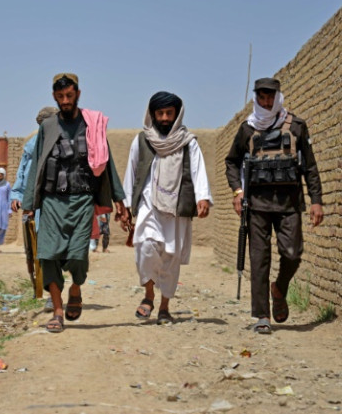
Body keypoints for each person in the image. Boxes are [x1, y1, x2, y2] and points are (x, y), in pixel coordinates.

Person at [22, 73, 129, 333]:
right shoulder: (47, 127)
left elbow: (107, 163)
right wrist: (29, 202)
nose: (65, 101)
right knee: (48, 256)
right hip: (51, 201)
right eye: (60, 97)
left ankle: (76, 288)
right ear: (54, 97)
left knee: (78, 256)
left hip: (82, 200)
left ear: (78, 94)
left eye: (69, 96)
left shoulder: (92, 124)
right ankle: (57, 311)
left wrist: (119, 200)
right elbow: (36, 164)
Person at [225, 77, 324, 334]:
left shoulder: (297, 126)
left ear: (278, 96)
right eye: (261, 97)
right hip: (256, 205)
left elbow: (310, 167)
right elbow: (232, 161)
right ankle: (261, 315)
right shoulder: (247, 129)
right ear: (256, 98)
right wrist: (238, 191)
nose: (266, 102)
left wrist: (316, 201)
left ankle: (279, 288)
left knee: (292, 253)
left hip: (289, 203)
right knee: (259, 260)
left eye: (270, 97)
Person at [122, 92, 212, 325]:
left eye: (168, 113)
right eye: (159, 113)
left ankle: (164, 307)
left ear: (177, 114)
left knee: (170, 258)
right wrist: (124, 204)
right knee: (145, 248)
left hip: (176, 207)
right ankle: (149, 296)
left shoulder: (188, 142)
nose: (164, 118)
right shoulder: (141, 140)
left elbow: (197, 170)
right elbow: (131, 172)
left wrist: (202, 197)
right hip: (148, 205)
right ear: (152, 114)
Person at [10, 106, 59, 311]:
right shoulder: (31, 148)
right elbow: (23, 173)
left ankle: (52, 294)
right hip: (34, 206)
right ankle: (41, 287)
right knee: (35, 249)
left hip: (56, 204)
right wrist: (17, 195)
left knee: (53, 249)